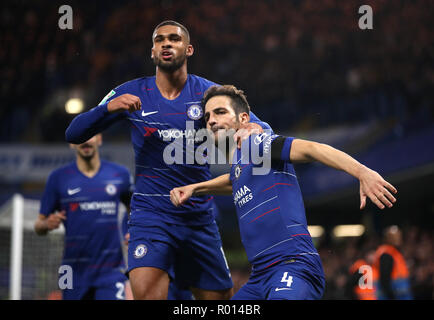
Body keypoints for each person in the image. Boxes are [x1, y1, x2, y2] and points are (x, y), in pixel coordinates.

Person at [65, 20, 270, 300]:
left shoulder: (209, 94)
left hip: (198, 217)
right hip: (151, 216)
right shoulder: (131, 92)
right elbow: (74, 133)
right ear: (152, 51)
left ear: (189, 49)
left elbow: (259, 127)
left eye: (174, 39)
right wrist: (107, 109)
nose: (166, 43)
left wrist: (254, 129)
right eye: (160, 39)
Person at [170, 85, 398, 300]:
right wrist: (195, 188)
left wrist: (362, 172)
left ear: (243, 119)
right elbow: (234, 180)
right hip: (259, 277)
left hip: (293, 266)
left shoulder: (258, 142)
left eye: (219, 112)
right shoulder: (241, 162)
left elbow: (312, 149)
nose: (211, 120)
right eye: (208, 116)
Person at [34, 134, 133, 300]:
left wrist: (134, 230)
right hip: (72, 270)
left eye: (91, 135)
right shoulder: (58, 178)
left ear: (99, 139)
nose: (86, 140)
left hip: (111, 270)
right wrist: (46, 224)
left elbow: (136, 209)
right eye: (80, 136)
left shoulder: (120, 174)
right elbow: (39, 224)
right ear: (71, 143)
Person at [373, 225, 412, 299]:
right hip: (392, 296)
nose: (397, 239)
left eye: (398, 236)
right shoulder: (386, 254)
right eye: (393, 237)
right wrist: (391, 296)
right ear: (387, 238)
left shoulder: (394, 253)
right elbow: (384, 280)